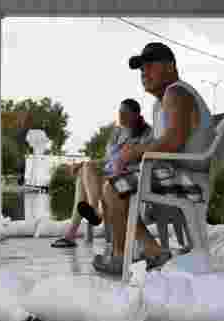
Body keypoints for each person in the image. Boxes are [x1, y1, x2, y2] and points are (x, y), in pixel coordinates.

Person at [91, 42, 212, 275]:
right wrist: (132, 157)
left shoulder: (176, 92)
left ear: (171, 67)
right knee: (113, 185)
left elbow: (173, 142)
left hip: (190, 180)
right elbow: (165, 147)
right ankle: (148, 251)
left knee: (113, 189)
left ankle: (131, 255)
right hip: (181, 175)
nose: (144, 72)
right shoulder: (164, 100)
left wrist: (133, 152)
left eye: (150, 65)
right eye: (141, 68)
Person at [50, 98, 153, 248]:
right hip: (107, 173)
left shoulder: (146, 133)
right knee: (87, 167)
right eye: (120, 112)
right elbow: (107, 160)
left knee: (82, 180)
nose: (121, 116)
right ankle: (94, 211)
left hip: (125, 175)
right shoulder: (117, 132)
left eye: (125, 113)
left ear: (136, 114)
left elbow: (144, 159)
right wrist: (82, 164)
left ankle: (71, 234)